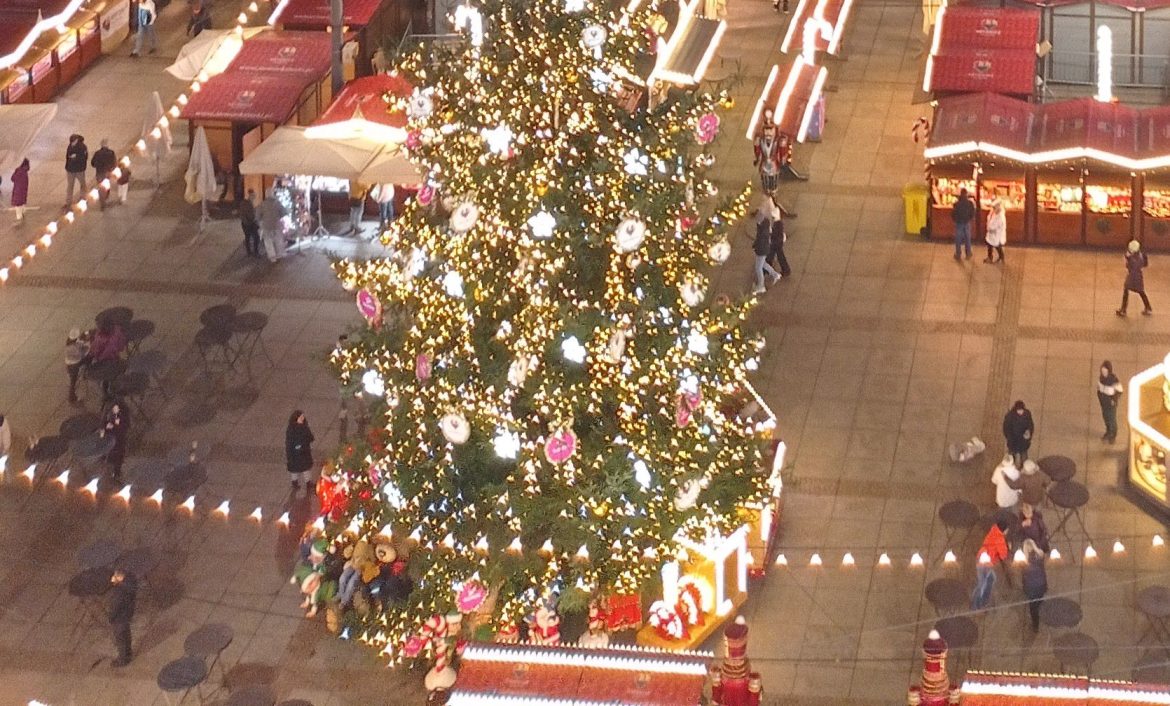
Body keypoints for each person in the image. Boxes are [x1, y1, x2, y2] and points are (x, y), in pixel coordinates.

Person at [972, 517, 1010, 610]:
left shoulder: (993, 531)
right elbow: (1003, 555)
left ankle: (983, 599)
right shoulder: (1000, 539)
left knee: (991, 578)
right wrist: (1008, 546)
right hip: (986, 563)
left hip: (982, 557)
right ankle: (976, 604)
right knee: (982, 584)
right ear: (1004, 530)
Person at [108, 568, 138, 666]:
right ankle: (128, 653)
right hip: (127, 615)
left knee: (120, 639)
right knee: (126, 635)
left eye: (115, 575)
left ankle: (122, 660)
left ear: (120, 577)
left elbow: (114, 607)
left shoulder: (119, 592)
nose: (113, 577)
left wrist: (111, 617)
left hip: (119, 619)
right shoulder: (130, 585)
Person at [748, 206, 780, 295]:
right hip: (764, 248)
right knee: (763, 264)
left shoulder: (762, 228)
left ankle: (761, 286)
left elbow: (760, 239)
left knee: (758, 268)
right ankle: (775, 274)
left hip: (761, 249)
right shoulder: (765, 224)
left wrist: (755, 246)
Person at [1117, 239, 1153, 317]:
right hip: (1139, 276)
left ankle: (1123, 309)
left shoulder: (1131, 258)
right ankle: (1148, 307)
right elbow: (1144, 265)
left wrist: (1127, 258)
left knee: (1126, 290)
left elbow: (1129, 266)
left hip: (1132, 276)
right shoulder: (1141, 256)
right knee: (1141, 292)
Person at [1021, 538, 1048, 633]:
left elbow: (1024, 577)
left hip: (1031, 588)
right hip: (1041, 585)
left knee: (1033, 607)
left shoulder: (1024, 561)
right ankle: (1043, 613)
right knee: (1040, 601)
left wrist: (1024, 588)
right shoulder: (1040, 555)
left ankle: (1035, 625)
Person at [286, 410, 315, 495]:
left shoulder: (303, 426)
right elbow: (290, 442)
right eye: (301, 417)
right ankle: (296, 482)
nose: (303, 418)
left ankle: (307, 482)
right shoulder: (292, 429)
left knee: (305, 468)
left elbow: (310, 437)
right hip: (296, 453)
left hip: (303, 451)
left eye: (303, 416)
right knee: (297, 469)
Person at [752, 122, 783, 197]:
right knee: (765, 181)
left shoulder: (778, 141)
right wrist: (757, 159)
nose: (768, 133)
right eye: (766, 131)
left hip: (774, 164)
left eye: (770, 130)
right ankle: (766, 193)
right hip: (764, 164)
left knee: (773, 181)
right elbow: (757, 151)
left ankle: (773, 195)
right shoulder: (760, 140)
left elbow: (782, 152)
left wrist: (782, 160)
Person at [103, 400, 130, 483]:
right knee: (117, 455)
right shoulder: (110, 423)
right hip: (114, 441)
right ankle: (115, 473)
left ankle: (116, 473)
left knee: (118, 455)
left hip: (117, 440)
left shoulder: (117, 423)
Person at [1097, 360, 1124, 443]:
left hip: (1111, 403)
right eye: (1102, 371)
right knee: (1106, 418)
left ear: (1109, 371)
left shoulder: (1113, 380)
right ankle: (1108, 432)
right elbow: (1099, 388)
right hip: (1104, 402)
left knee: (1112, 419)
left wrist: (1113, 400)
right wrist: (1100, 397)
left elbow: (1120, 391)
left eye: (1105, 371)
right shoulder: (1101, 379)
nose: (1103, 372)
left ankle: (1113, 435)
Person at [1002, 400, 1034, 469]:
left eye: (1021, 410)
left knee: (1024, 457)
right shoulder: (1010, 416)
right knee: (1013, 457)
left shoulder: (1027, 414)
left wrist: (1029, 432)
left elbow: (1030, 425)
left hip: (1023, 442)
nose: (1020, 412)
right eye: (1019, 410)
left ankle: (1024, 469)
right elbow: (1006, 430)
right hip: (1014, 442)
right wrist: (1010, 438)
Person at [258, 191, 286, 261]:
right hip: (276, 225)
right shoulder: (277, 203)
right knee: (278, 240)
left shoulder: (262, 204)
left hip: (266, 226)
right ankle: (280, 254)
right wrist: (279, 216)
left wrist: (261, 221)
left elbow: (258, 215)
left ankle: (272, 257)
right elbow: (284, 212)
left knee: (268, 242)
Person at [767, 200, 791, 278]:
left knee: (777, 253)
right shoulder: (778, 219)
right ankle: (768, 266)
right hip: (778, 239)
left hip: (776, 239)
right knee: (774, 253)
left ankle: (785, 269)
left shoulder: (776, 221)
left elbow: (773, 230)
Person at [65, 327, 90, 404]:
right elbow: (80, 355)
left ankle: (72, 397)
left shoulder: (70, 344)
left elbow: (80, 343)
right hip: (74, 365)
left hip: (71, 364)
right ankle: (72, 398)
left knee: (73, 381)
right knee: (73, 382)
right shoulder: (72, 348)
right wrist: (86, 347)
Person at [91, 139, 117, 210]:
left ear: (101, 145)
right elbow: (114, 163)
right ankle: (106, 197)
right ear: (107, 145)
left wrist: (98, 165)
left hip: (99, 173)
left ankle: (102, 202)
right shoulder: (111, 153)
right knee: (107, 186)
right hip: (107, 173)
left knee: (101, 188)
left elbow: (93, 163)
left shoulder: (97, 153)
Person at [951, 188, 975, 260]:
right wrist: (969, 219)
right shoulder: (970, 203)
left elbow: (953, 213)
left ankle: (958, 254)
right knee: (967, 238)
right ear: (966, 194)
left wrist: (955, 220)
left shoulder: (957, 204)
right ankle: (968, 253)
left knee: (958, 238)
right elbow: (973, 213)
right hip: (967, 222)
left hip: (959, 223)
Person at [65, 134, 88, 207]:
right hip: (70, 169)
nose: (72, 143)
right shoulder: (70, 145)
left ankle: (83, 197)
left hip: (79, 169)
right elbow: (67, 156)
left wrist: (75, 157)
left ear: (76, 140)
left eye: (73, 142)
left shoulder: (82, 147)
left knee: (82, 184)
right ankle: (68, 201)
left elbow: (84, 157)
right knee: (70, 186)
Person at [239, 189, 261, 257]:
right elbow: (247, 215)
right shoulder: (247, 203)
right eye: (253, 195)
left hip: (247, 223)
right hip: (249, 223)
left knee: (249, 237)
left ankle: (250, 252)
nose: (254, 197)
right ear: (250, 195)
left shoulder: (247, 203)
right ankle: (254, 252)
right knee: (255, 237)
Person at [984, 199, 1006, 264]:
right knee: (990, 245)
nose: (993, 209)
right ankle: (990, 257)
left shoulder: (1000, 216)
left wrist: (990, 228)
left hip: (997, 234)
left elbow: (996, 225)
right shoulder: (994, 213)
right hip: (992, 234)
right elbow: (990, 219)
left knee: (997, 246)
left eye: (994, 207)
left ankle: (1001, 258)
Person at [10, 158, 29, 222]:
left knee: (17, 204)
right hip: (23, 190)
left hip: (18, 190)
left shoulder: (18, 171)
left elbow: (12, 178)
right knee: (22, 202)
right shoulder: (25, 173)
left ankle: (19, 218)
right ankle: (23, 213)